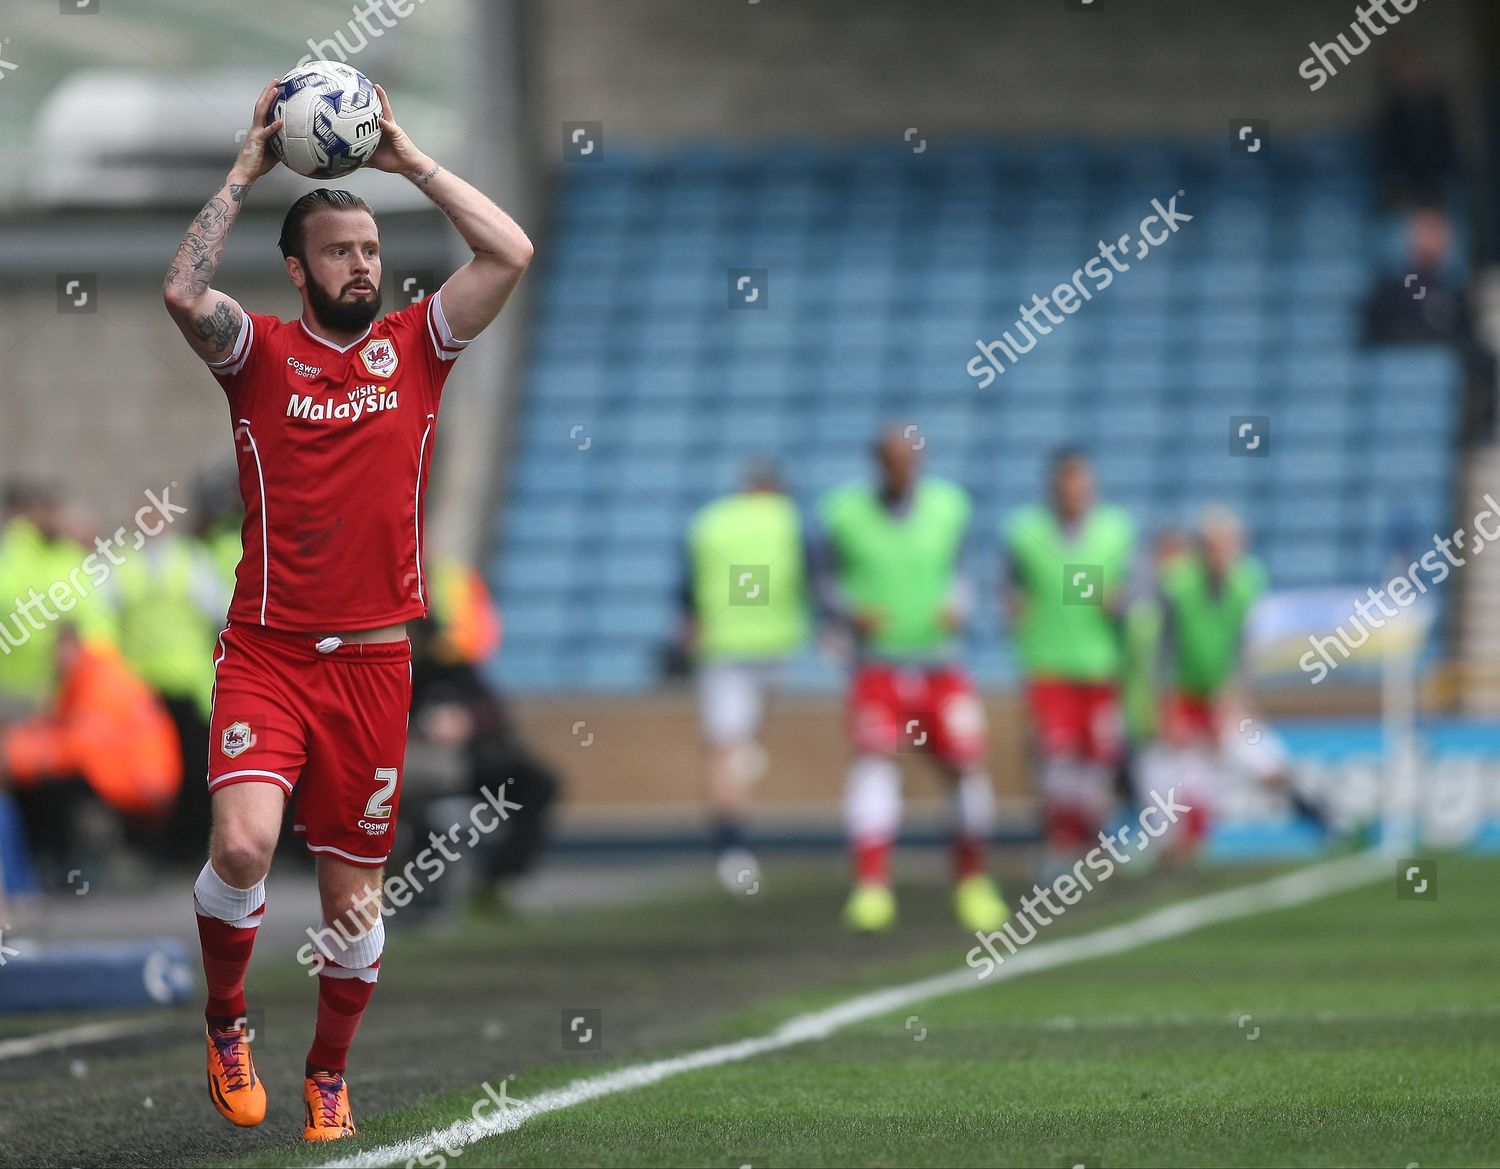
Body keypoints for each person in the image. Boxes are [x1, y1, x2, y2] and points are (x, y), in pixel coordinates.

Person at [161, 79, 532, 1140]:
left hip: (373, 666)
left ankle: (328, 1073)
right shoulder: (258, 354)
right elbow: (184, 292)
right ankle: (226, 1020)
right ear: (298, 268)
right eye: (339, 252)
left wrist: (410, 161)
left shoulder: (417, 345)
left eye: (370, 249)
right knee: (242, 847)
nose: (362, 264)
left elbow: (510, 252)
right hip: (268, 654)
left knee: (351, 904)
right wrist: (244, 172)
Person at [815, 426, 1007, 934]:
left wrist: (959, 605)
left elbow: (964, 573)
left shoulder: (950, 508)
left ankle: (972, 881)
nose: (901, 468)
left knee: (966, 765)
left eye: (908, 458)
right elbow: (823, 582)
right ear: (877, 462)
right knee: (874, 765)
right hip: (878, 664)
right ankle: (872, 886)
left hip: (941, 664)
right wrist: (849, 612)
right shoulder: (844, 514)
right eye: (891, 459)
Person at [1137, 507, 1321, 857]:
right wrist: (1168, 708)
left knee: (1268, 760)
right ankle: (1179, 851)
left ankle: (1325, 821)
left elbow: (1242, 647)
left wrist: (1235, 698)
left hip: (1222, 696)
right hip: (1185, 698)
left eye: (1228, 545)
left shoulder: (1246, 584)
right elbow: (1164, 653)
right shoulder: (1179, 587)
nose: (1221, 554)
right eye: (1214, 546)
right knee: (1184, 788)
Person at [1003, 449, 1136, 879]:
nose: (1075, 494)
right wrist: (1014, 614)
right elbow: (1012, 589)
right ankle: (1060, 842)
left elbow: (1134, 591)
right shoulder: (1026, 533)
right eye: (1067, 486)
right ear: (1053, 489)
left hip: (1099, 666)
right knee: (1056, 758)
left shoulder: (1115, 532)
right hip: (1049, 665)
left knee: (1097, 760)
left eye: (1082, 486)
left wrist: (1120, 602)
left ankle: (1091, 841)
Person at [679, 460, 809, 893]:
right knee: (745, 747)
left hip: (723, 646)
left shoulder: (709, 522)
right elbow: (812, 577)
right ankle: (739, 835)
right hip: (776, 643)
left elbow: (687, 590)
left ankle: (732, 850)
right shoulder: (788, 518)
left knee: (724, 749)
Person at [409, 554, 559, 911]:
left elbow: (494, 712)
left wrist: (467, 721)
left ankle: (502, 880)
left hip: (471, 766)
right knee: (421, 809)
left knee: (537, 783)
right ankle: (424, 899)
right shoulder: (401, 674)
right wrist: (420, 727)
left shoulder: (457, 669)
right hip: (420, 772)